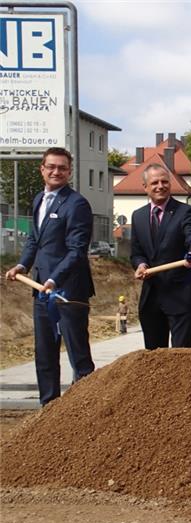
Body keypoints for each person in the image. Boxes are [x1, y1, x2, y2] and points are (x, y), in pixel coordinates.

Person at [4, 147, 95, 405]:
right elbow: (34, 240)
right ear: (42, 169)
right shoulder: (38, 200)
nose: (56, 172)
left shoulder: (77, 204)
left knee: (78, 355)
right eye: (51, 167)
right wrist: (22, 265)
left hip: (68, 291)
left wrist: (55, 279)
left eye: (62, 168)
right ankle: (49, 408)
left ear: (69, 172)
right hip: (41, 289)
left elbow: (77, 250)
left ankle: (86, 409)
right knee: (44, 353)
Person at [130, 163, 191, 349]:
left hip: (181, 294)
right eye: (155, 182)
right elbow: (136, 252)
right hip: (152, 297)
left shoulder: (185, 212)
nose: (160, 186)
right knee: (154, 355)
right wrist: (140, 265)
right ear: (145, 187)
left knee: (180, 355)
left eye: (164, 181)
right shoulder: (138, 216)